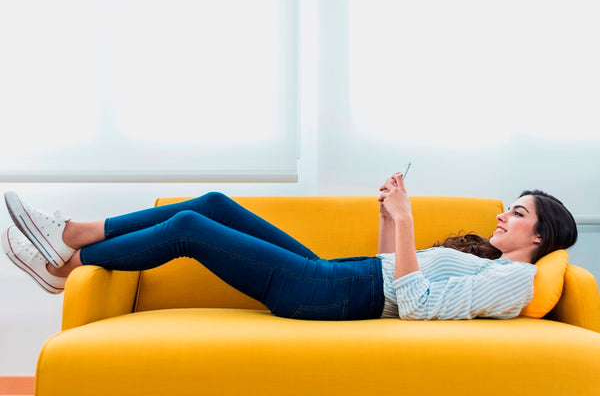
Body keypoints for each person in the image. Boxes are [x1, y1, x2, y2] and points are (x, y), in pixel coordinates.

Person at [2, 173, 578, 320]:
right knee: (212, 206)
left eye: (518, 213)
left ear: (540, 237)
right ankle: (72, 234)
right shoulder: (492, 264)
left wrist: (407, 222)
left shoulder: (518, 280)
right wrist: (388, 220)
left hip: (324, 294)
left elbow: (419, 307)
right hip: (337, 275)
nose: (504, 214)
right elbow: (399, 279)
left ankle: (68, 261)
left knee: (190, 233)